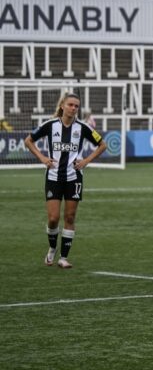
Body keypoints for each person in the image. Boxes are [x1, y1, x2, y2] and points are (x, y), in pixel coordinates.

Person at [24, 92, 108, 269]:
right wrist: (42, 158)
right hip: (54, 176)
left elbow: (103, 145)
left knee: (70, 217)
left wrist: (85, 161)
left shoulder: (83, 127)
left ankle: (63, 257)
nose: (73, 108)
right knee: (53, 218)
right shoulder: (50, 125)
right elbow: (28, 140)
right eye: (70, 105)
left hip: (74, 177)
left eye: (76, 106)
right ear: (62, 105)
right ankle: (52, 248)